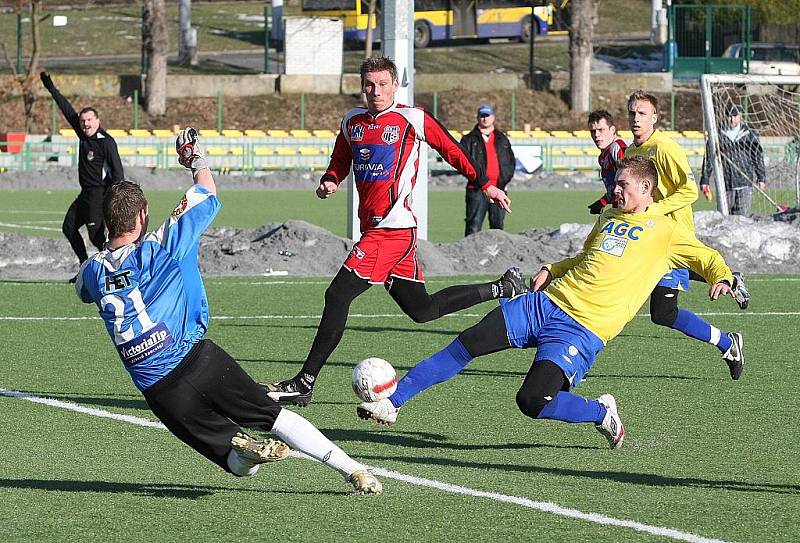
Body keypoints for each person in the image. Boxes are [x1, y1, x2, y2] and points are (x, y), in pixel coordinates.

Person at [357, 156, 745, 449]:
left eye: (624, 185)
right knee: (467, 344)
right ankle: (394, 403)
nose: (617, 190)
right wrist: (552, 268)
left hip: (582, 328)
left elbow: (707, 257)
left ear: (647, 189)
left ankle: (601, 412)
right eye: (616, 184)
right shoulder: (610, 216)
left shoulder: (666, 231)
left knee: (532, 401)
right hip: (544, 303)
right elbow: (585, 259)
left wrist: (722, 278)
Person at [74, 128, 381, 495]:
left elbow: (81, 290)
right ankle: (353, 470)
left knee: (235, 466)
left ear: (107, 220)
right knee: (276, 418)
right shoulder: (162, 244)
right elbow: (206, 189)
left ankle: (248, 452)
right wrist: (194, 158)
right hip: (199, 359)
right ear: (142, 216)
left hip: (158, 388)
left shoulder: (92, 272)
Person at [265, 56, 526, 407]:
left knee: (337, 296)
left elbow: (453, 151)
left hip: (391, 230)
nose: (375, 91)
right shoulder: (352, 122)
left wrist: (487, 185)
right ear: (362, 86)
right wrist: (330, 180)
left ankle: (304, 382)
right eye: (369, 85)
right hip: (376, 231)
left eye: (382, 84)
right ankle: (503, 286)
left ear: (395, 86)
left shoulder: (412, 118)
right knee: (422, 310)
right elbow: (341, 158)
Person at [624, 90, 752, 365]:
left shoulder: (665, 148)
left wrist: (655, 209)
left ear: (654, 118)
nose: (636, 118)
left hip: (671, 237)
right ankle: (730, 277)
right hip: (649, 235)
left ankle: (729, 343)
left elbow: (689, 190)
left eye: (642, 113)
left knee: (664, 313)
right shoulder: (633, 151)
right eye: (632, 112)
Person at [40, 72, 124, 282]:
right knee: (68, 227)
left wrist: (114, 200)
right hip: (85, 194)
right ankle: (84, 269)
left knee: (97, 238)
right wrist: (51, 88)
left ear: (97, 121)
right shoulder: (82, 133)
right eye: (83, 120)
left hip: (99, 195)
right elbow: (66, 108)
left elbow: (118, 173)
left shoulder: (107, 142)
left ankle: (120, 268)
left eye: (89, 120)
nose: (85, 124)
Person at [699, 104, 766, 216]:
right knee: (725, 218)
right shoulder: (717, 135)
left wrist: (761, 177)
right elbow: (709, 159)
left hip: (745, 183)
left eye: (735, 116)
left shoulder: (750, 135)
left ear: (740, 116)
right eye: (729, 116)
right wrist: (705, 180)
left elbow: (757, 157)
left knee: (742, 219)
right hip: (725, 183)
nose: (732, 119)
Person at [460, 104, 516, 235]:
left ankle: (497, 255)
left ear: (493, 117)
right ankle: (470, 255)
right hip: (477, 189)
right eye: (482, 115)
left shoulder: (502, 139)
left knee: (498, 227)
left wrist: (505, 179)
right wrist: (477, 180)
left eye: (487, 115)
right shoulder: (469, 139)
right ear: (478, 117)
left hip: (499, 188)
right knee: (473, 226)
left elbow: (510, 161)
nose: (485, 119)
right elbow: (462, 163)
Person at [586, 109, 627, 214]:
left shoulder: (617, 148)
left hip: (627, 209)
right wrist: (602, 202)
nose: (596, 135)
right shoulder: (603, 156)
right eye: (593, 131)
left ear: (612, 130)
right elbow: (614, 188)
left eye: (601, 130)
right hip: (618, 208)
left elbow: (629, 180)